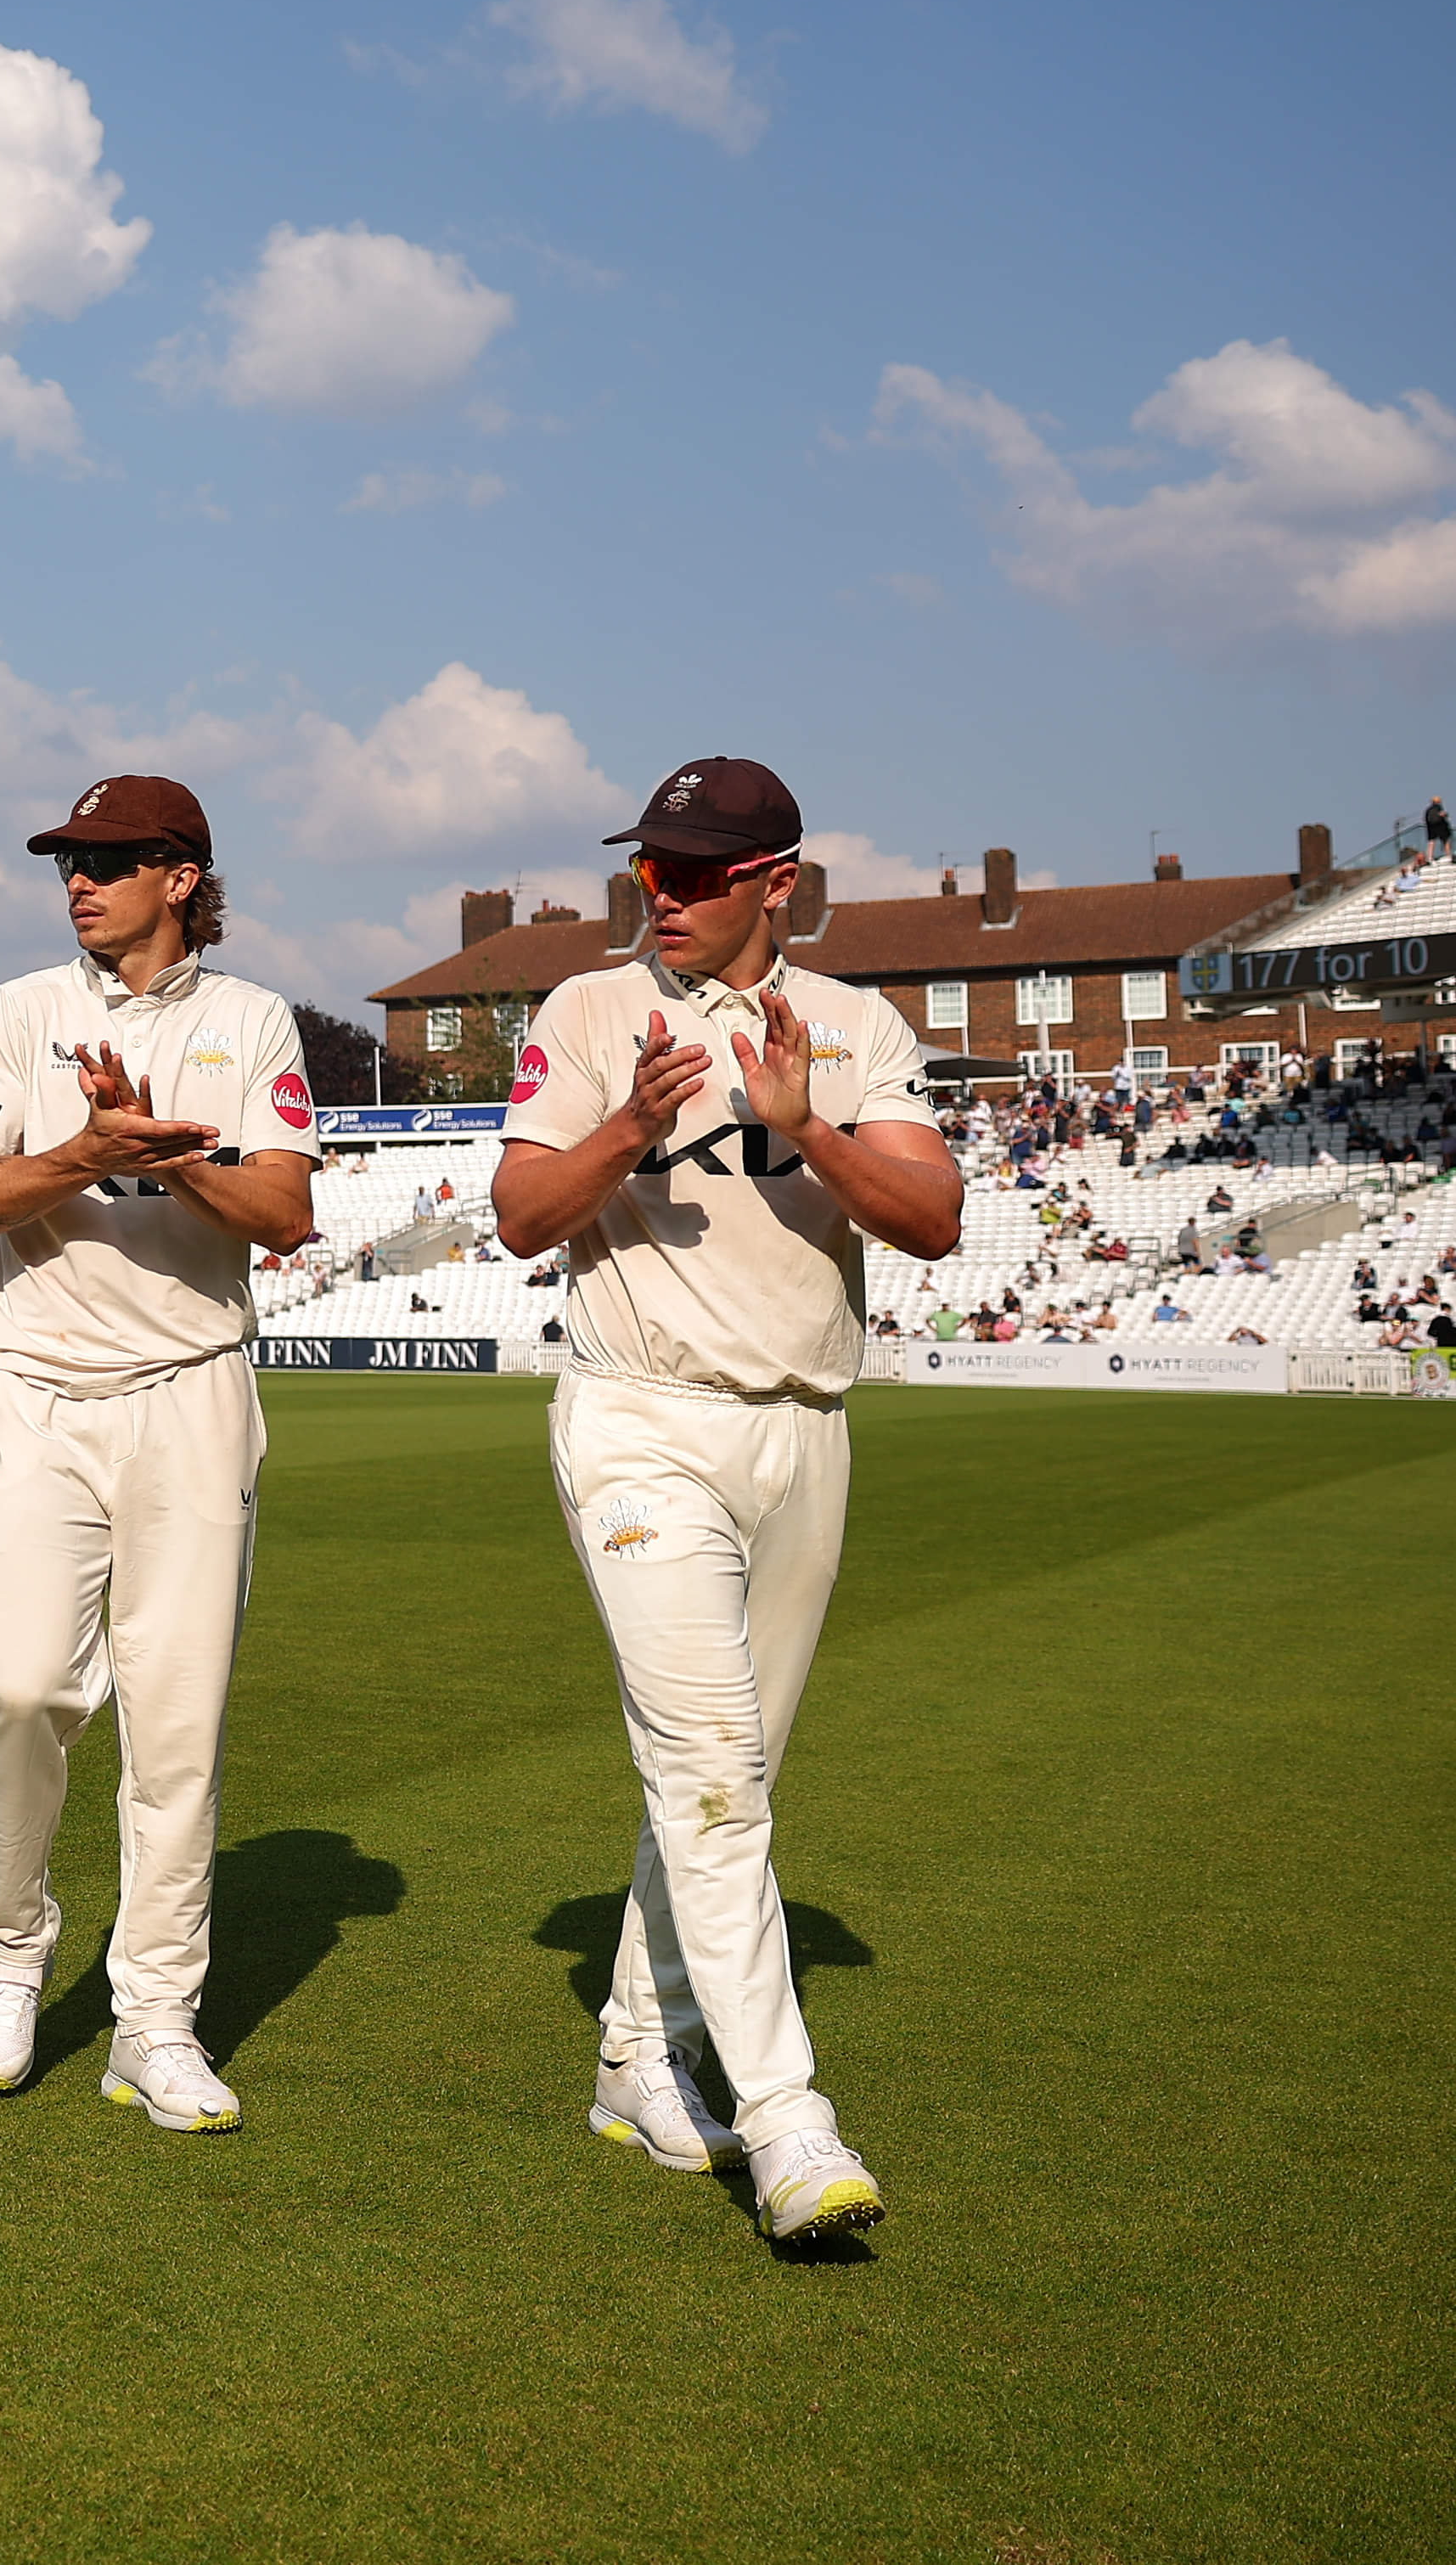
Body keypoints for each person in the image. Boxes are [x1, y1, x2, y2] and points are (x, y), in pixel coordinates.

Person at [489, 757, 959, 2247]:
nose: (663, 896)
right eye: (651, 871)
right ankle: (786, 2120)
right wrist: (629, 1125)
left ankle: (639, 2048)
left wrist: (806, 1125)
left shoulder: (860, 1026)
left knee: (717, 1773)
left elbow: (935, 1218)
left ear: (779, 879)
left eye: (696, 873)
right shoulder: (582, 1012)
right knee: (712, 1762)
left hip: (805, 1430)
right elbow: (518, 1217)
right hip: (640, 1422)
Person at [0, 774, 319, 2128]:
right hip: (34, 1387)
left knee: (177, 1723)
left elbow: (282, 1208)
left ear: (180, 874)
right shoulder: (20, 1012)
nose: (77, 880)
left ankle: (152, 2014)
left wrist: (170, 1154)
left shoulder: (248, 1018)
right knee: (28, 1686)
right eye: (67, 861)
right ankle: (11, 1936)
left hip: (191, 1393)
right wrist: (86, 1144)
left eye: (106, 859)